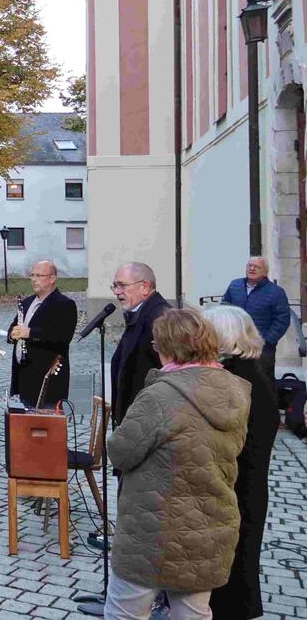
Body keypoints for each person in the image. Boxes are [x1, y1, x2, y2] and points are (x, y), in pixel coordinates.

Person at [105, 308, 250, 619]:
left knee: (125, 613)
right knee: (193, 613)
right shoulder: (234, 391)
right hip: (209, 524)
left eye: (157, 345)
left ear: (170, 348)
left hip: (152, 531)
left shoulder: (161, 395)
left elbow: (120, 452)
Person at [203, 306, 279, 620]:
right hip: (247, 485)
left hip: (236, 487)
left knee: (232, 570)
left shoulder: (236, 379)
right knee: (238, 565)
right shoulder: (252, 371)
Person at [7, 260, 78, 407]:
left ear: (52, 278)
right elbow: (14, 327)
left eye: (39, 275)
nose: (34, 279)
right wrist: (12, 333)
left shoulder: (64, 304)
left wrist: (30, 333)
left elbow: (62, 337)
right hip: (23, 380)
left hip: (47, 381)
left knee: (46, 421)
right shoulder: (27, 302)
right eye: (32, 275)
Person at [109, 262, 170, 427]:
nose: (117, 292)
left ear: (145, 287)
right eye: (114, 286)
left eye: (122, 285)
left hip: (148, 417)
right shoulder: (141, 313)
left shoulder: (160, 319)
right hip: (135, 414)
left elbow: (170, 370)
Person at [220, 256, 290, 381]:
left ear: (265, 271)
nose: (252, 269)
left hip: (261, 348)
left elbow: (282, 319)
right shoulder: (235, 285)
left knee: (261, 382)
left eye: (256, 267)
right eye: (249, 265)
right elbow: (224, 309)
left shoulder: (276, 292)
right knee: (234, 381)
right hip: (235, 344)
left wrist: (267, 341)